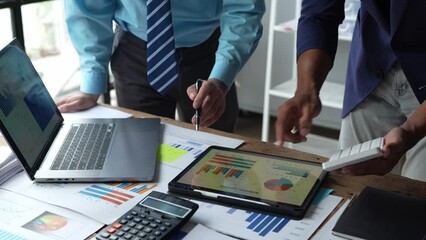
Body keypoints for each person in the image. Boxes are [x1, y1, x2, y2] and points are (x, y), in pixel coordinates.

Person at [274, 0, 426, 181]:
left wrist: (412, 131)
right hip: (372, 68)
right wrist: (306, 90)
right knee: (355, 186)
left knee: (418, 196)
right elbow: (319, 13)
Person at [58, 1, 265, 133]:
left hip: (209, 55)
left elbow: (243, 8)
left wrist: (221, 78)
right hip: (136, 51)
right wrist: (91, 83)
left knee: (217, 155)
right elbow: (88, 8)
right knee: (138, 157)